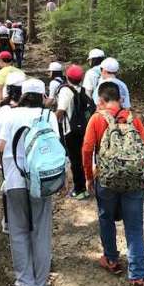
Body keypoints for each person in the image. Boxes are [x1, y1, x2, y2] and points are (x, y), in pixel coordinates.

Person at [83, 81, 144, 286]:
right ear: (120, 99)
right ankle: (138, 277)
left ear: (101, 100)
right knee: (134, 227)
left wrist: (89, 177)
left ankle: (111, 260)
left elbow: (87, 150)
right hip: (134, 181)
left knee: (106, 218)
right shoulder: (133, 119)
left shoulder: (96, 118)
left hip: (106, 180)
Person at [0, 79, 59, 286]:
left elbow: (0, 147)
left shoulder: (10, 115)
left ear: (22, 95)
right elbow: (55, 148)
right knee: (41, 233)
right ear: (43, 96)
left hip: (14, 180)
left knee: (18, 232)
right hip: (41, 183)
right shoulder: (48, 116)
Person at [0, 71, 26, 234]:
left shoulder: (1, 113)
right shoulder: (31, 111)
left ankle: (9, 222)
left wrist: (1, 162)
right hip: (29, 161)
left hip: (8, 160)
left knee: (8, 188)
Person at [56, 64, 94, 200]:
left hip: (70, 131)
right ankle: (88, 185)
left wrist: (52, 122)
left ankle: (79, 190)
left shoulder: (65, 91)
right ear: (81, 78)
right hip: (85, 128)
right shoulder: (83, 90)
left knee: (75, 160)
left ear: (67, 77)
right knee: (84, 158)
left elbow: (61, 111)